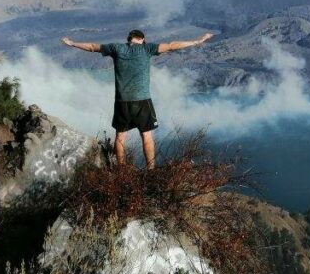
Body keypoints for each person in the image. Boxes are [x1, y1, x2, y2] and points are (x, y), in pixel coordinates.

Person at [61, 29, 214, 169]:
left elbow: (93, 47)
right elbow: (172, 45)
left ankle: (121, 170)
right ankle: (151, 170)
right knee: (146, 135)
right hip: (142, 101)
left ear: (129, 39)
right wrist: (197, 41)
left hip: (122, 101)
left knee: (120, 136)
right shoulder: (147, 49)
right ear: (142, 39)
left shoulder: (116, 48)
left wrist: (72, 43)